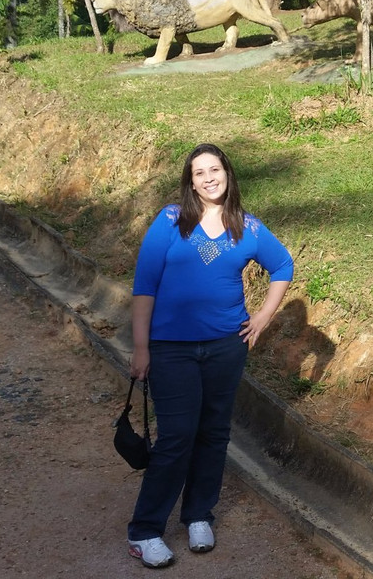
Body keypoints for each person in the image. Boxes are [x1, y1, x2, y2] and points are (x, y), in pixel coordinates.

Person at [125, 143, 293, 568]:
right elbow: (144, 286)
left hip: (225, 347)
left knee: (214, 432)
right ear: (190, 181)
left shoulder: (248, 228)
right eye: (198, 172)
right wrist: (141, 347)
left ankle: (199, 514)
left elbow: (282, 267)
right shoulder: (169, 220)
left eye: (214, 169)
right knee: (177, 436)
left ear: (227, 174)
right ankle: (145, 531)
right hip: (171, 349)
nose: (208, 178)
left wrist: (263, 317)